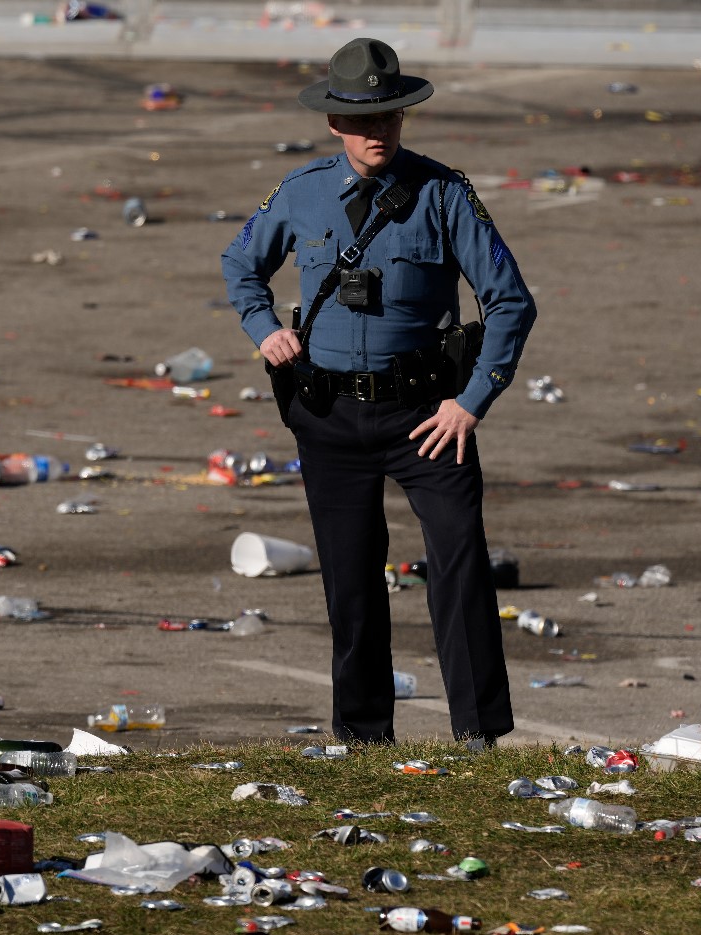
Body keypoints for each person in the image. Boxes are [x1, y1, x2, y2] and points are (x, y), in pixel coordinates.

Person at [220, 37, 536, 747]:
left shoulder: (444, 194)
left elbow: (510, 302)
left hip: (427, 416)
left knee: (458, 565)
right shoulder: (300, 193)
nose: (377, 133)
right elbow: (241, 262)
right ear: (334, 123)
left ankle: (479, 734)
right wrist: (261, 327)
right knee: (351, 583)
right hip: (327, 416)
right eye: (362, 121)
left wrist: (472, 402)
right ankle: (363, 737)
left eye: (389, 117)